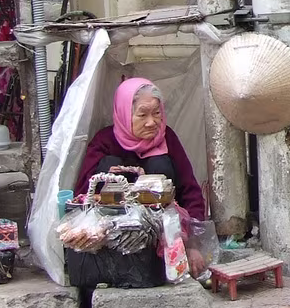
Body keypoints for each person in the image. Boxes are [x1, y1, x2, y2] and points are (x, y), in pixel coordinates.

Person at [74, 78, 208, 221]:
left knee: (159, 163)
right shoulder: (104, 142)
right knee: (110, 164)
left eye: (156, 113)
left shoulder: (166, 137)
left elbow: (189, 189)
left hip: (162, 226)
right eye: (142, 115)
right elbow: (83, 194)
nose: (151, 122)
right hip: (111, 228)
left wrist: (194, 226)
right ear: (124, 113)